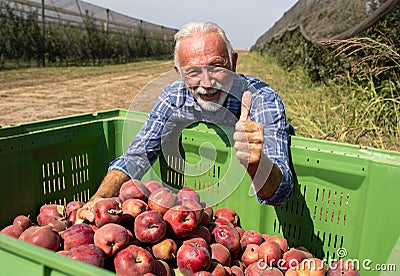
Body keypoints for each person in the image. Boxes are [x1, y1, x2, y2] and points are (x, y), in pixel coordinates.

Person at [75, 21, 293, 224]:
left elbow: (282, 192)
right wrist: (100, 199)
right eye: (193, 72)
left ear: (233, 63)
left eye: (217, 67)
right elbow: (138, 155)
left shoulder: (261, 99)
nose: (207, 83)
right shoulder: (175, 98)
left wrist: (257, 163)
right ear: (179, 73)